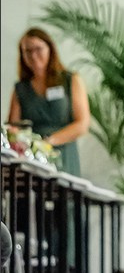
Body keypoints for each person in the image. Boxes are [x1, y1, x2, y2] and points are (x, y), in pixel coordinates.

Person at [7, 28, 90, 176]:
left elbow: (82, 124)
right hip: (31, 160)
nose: (33, 55)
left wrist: (49, 142)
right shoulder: (21, 89)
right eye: (28, 51)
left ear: (50, 49)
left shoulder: (70, 80)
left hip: (63, 154)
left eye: (38, 49)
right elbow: (13, 127)